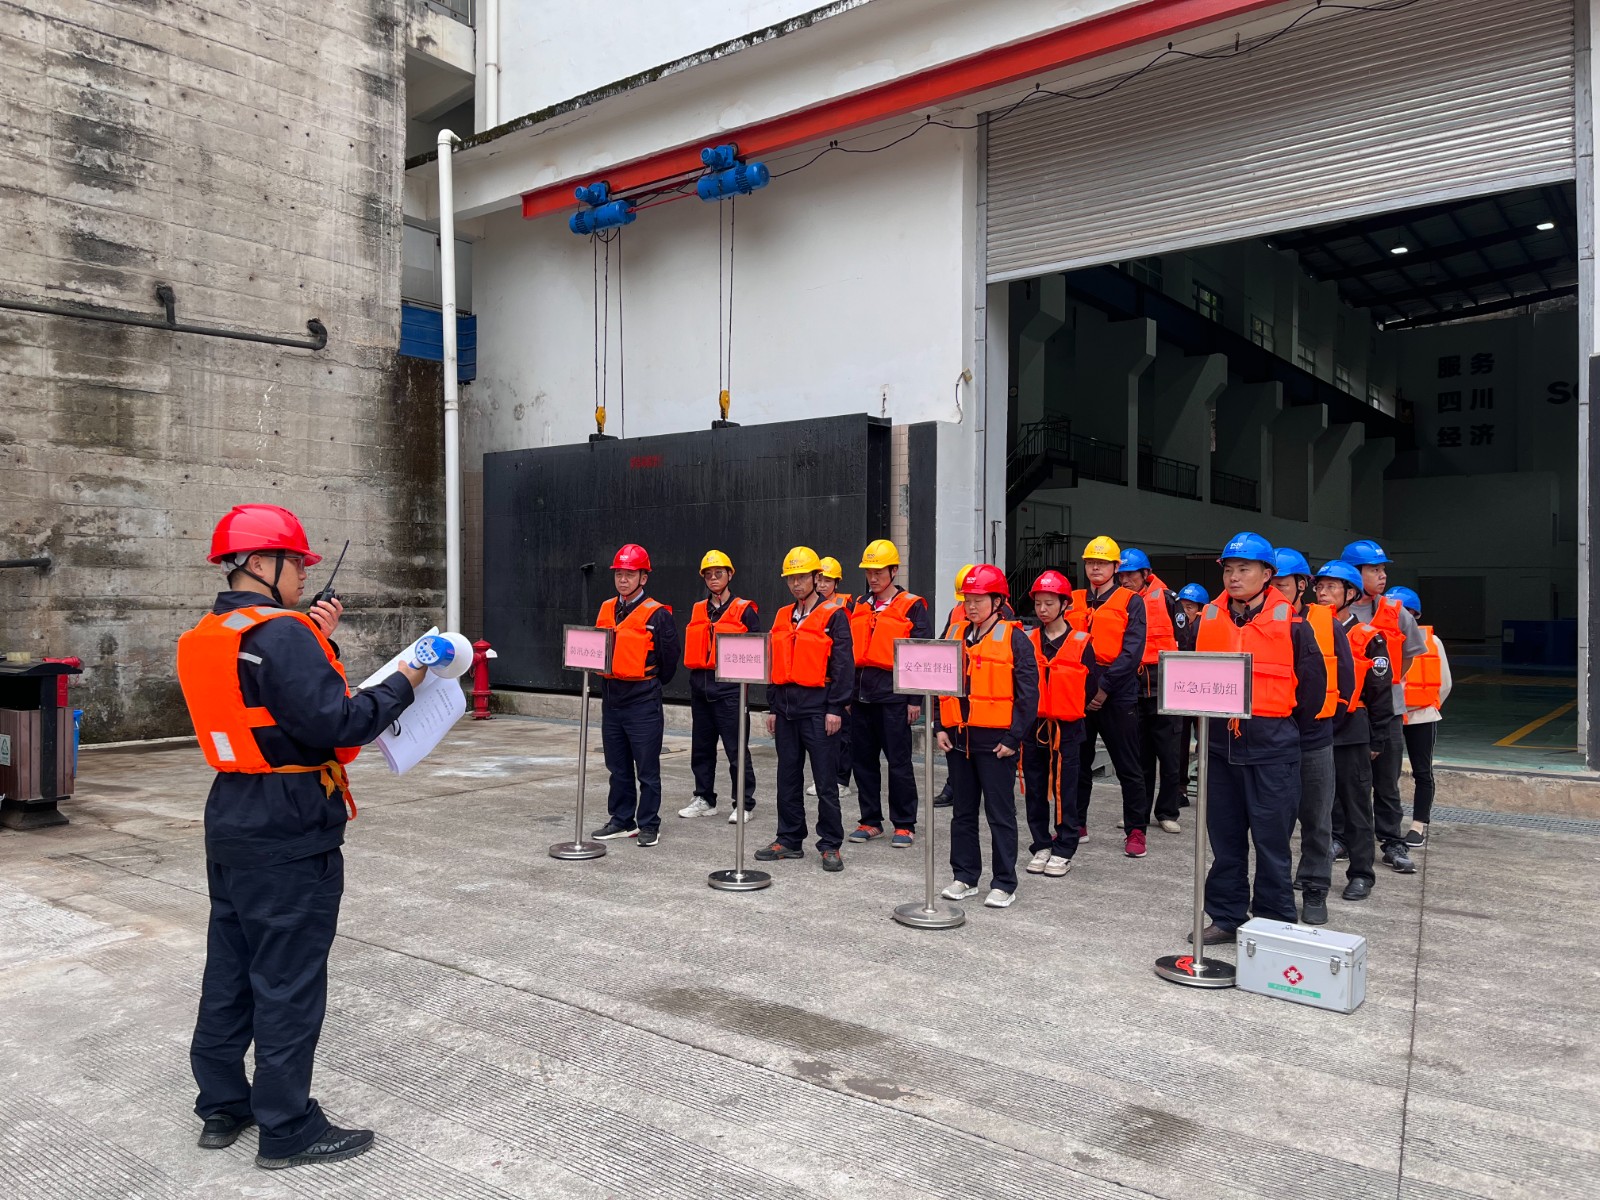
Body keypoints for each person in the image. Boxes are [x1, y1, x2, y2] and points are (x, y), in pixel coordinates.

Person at [178, 504, 425, 1169]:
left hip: (232, 812)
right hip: (287, 823)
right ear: (261, 563)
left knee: (230, 968)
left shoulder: (210, 633)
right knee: (286, 979)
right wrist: (405, 681)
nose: (303, 575)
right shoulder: (282, 634)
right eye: (296, 563)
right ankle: (287, 1126)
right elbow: (338, 722)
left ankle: (222, 1105)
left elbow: (264, 696)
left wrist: (317, 638)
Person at [1190, 532, 1326, 944]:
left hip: (1272, 750)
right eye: (1228, 570)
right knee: (1225, 841)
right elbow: (1186, 676)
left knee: (1271, 843)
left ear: (1267, 574)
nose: (1234, 577)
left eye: (1244, 569)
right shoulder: (1206, 621)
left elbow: (1312, 691)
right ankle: (1226, 917)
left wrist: (1278, 729)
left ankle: (1273, 921)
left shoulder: (1295, 625)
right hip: (1219, 749)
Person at [935, 565, 1039, 908]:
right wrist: (939, 726)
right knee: (962, 813)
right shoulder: (953, 633)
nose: (971, 606)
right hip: (958, 739)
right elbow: (937, 682)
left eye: (979, 599)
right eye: (967, 599)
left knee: (1000, 814)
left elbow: (1028, 695)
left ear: (997, 602)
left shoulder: (1015, 639)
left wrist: (1013, 738)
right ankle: (965, 877)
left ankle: (1004, 883)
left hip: (996, 744)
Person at [755, 547, 855, 871]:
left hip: (818, 709)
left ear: (816, 578)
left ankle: (830, 844)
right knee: (787, 777)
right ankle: (788, 839)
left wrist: (835, 708)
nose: (796, 584)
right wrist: (772, 707)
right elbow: (774, 662)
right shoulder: (783, 615)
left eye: (802, 577)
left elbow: (843, 665)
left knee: (825, 782)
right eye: (791, 578)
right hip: (785, 709)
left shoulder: (834, 614)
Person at [1272, 547, 1354, 926]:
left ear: (1302, 585)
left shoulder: (1325, 623)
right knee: (1274, 822)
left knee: (1317, 820)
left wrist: (1323, 728)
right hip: (1274, 739)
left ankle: (1315, 887)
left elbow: (1346, 684)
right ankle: (1276, 890)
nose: (1275, 590)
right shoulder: (1261, 624)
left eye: (1282, 584)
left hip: (1315, 738)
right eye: (1271, 583)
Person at [1342, 539, 1426, 874]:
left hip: (1387, 710)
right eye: (1374, 569)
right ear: (1354, 573)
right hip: (1349, 711)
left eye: (1383, 569)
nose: (1382, 575)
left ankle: (1392, 841)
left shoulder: (1395, 611)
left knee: (1387, 782)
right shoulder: (1335, 611)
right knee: (1345, 781)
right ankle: (1341, 838)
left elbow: (1408, 657)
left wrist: (1383, 685)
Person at [1314, 560, 1394, 903]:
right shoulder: (1309, 629)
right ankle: (1314, 873)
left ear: (1350, 593)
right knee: (1317, 809)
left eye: (1331, 587)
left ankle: (1361, 874)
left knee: (1357, 806)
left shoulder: (1367, 637)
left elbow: (1380, 691)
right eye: (1320, 587)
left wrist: (1378, 737)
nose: (1323, 593)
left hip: (1352, 733)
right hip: (1317, 729)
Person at [846, 539, 933, 847]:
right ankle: (870, 821)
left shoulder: (912, 605)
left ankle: (904, 824)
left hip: (894, 697)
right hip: (860, 697)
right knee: (863, 761)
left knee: (899, 762)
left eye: (879, 572)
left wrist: (914, 700)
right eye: (869, 572)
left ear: (894, 571)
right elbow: (846, 653)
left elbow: (920, 654)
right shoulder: (859, 604)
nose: (873, 578)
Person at [591, 543, 679, 846]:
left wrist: (649, 683)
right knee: (617, 765)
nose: (623, 579)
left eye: (630, 574)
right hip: (611, 696)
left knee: (647, 768)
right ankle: (621, 820)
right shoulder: (606, 608)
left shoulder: (658, 614)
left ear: (644, 577)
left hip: (642, 697)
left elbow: (669, 659)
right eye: (619, 574)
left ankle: (649, 824)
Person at [1070, 535, 1149, 856]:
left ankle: (1136, 831)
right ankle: (1076, 824)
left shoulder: (1132, 602)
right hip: (1078, 689)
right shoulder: (1073, 599)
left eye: (1102, 563)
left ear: (1116, 567)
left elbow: (1132, 652)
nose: (1095, 568)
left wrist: (1103, 689)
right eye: (1090, 562)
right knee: (1078, 763)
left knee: (1128, 766)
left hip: (1117, 692)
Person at [1022, 571, 1097, 879]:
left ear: (1064, 604)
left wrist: (1066, 703)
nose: (1042, 609)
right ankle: (1041, 844)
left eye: (1050, 603)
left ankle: (1064, 847)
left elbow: (1091, 686)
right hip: (1033, 727)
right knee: (1035, 788)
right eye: (1038, 603)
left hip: (1067, 729)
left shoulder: (1081, 642)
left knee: (1066, 790)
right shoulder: (1027, 640)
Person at [679, 550, 762, 824]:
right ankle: (704, 798)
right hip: (700, 689)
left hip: (730, 692)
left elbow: (758, 651)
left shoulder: (744, 610)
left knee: (736, 749)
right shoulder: (697, 609)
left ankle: (743, 803)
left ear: (729, 575)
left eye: (718, 573)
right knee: (701, 749)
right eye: (708, 574)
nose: (713, 578)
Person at [1115, 547, 1186, 836]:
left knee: (1169, 756)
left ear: (1146, 574)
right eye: (1121, 576)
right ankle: (1138, 813)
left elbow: (1184, 640)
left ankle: (1167, 811)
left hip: (1165, 686)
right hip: (1133, 688)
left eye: (1130, 575)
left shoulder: (1168, 599)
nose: (1125, 581)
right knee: (1139, 756)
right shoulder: (1119, 601)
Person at [1387, 586, 1452, 849]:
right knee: (1385, 773)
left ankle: (1418, 824)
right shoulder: (1380, 638)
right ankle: (1385, 823)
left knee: (1422, 772)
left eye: (1405, 612)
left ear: (1415, 614)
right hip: (1389, 715)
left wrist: (1427, 705)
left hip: (1422, 715)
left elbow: (1444, 683)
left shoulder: (1432, 642)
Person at [933, 563, 977, 808]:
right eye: (965, 600)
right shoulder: (956, 612)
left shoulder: (1003, 615)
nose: (969, 606)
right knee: (956, 746)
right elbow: (943, 646)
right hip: (958, 689)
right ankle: (953, 787)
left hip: (987, 692)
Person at [812, 556, 855, 797]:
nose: (822, 585)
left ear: (836, 583)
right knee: (821, 738)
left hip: (838, 680)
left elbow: (845, 652)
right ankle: (825, 777)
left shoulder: (844, 608)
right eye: (819, 580)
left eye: (827, 581)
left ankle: (841, 779)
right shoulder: (809, 608)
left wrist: (845, 690)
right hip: (817, 681)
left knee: (842, 733)